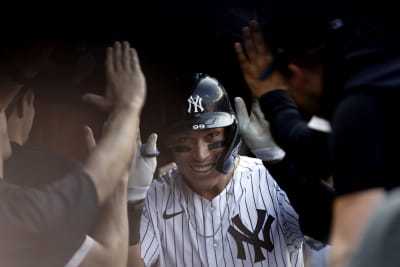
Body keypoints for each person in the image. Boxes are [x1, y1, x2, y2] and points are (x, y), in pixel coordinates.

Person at [233, 1, 397, 266]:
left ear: (296, 74)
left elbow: (351, 248)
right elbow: (317, 152)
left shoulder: (361, 108)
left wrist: (275, 101)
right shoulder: (373, 72)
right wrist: (277, 109)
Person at [128, 73, 306, 267]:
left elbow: (331, 231)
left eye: (212, 136)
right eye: (185, 140)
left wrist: (278, 161)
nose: (200, 155)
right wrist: (132, 200)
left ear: (231, 137)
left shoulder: (276, 180)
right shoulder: (154, 197)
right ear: (170, 143)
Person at [0, 40, 146, 267]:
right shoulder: (16, 213)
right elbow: (109, 262)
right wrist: (128, 107)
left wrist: (21, 70)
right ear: (27, 102)